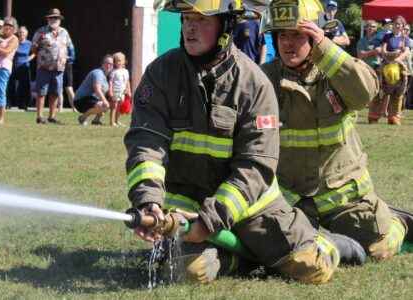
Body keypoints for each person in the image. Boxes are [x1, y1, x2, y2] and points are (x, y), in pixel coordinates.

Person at [125, 0, 363, 285]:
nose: (190, 27)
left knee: (311, 268)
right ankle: (239, 257)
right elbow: (146, 142)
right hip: (189, 201)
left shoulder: (253, 83)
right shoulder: (161, 74)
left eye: (202, 20)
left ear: (226, 26)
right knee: (189, 272)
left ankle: (327, 242)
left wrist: (211, 220)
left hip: (250, 204)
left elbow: (256, 166)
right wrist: (147, 200)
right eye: (187, 18)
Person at [261, 0, 409, 262]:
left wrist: (326, 50)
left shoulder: (334, 70)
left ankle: (398, 223)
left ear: (315, 37)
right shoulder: (264, 79)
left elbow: (365, 94)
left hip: (344, 198)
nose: (287, 43)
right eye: (282, 35)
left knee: (377, 250)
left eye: (297, 34)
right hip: (293, 199)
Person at [31, 8, 73, 124]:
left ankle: (52, 116)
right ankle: (39, 117)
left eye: (56, 18)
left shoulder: (64, 32)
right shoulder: (41, 31)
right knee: (41, 92)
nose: (53, 20)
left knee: (55, 92)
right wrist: (36, 45)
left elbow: (70, 46)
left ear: (59, 20)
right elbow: (33, 48)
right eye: (51, 18)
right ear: (48, 19)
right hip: (44, 67)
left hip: (59, 67)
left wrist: (70, 57)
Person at [370, 15, 411, 125]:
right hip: (386, 65)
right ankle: (374, 116)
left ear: (403, 26)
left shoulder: (405, 39)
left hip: (400, 66)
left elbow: (406, 52)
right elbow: (383, 50)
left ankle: (394, 117)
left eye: (400, 24)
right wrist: (392, 55)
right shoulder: (387, 36)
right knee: (380, 92)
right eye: (396, 23)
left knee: (398, 94)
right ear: (393, 25)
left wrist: (397, 59)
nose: (397, 26)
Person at [74, 55, 112, 126]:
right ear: (102, 64)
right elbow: (97, 89)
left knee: (107, 104)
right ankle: (82, 118)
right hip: (80, 100)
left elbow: (103, 93)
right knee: (104, 105)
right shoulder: (98, 73)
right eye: (106, 63)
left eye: (111, 64)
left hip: (91, 99)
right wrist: (105, 101)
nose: (108, 65)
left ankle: (96, 121)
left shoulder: (105, 77)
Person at [8, 26, 34, 110]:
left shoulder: (29, 43)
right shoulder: (15, 42)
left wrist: (29, 59)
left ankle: (23, 104)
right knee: (11, 85)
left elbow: (34, 52)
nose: (21, 34)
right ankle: (9, 103)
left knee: (24, 86)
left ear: (26, 34)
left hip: (24, 67)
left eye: (23, 32)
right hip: (14, 65)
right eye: (20, 32)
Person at [108, 52, 131, 127]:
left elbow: (127, 81)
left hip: (122, 92)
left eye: (120, 60)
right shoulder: (114, 72)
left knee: (119, 107)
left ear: (124, 61)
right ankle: (112, 122)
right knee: (114, 106)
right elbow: (110, 82)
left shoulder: (126, 71)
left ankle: (117, 121)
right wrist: (110, 91)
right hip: (115, 91)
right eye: (116, 61)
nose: (118, 62)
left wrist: (129, 90)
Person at [62, 42, 77, 112]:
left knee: (69, 88)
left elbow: (73, 57)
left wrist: (65, 57)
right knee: (58, 89)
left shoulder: (69, 45)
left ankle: (75, 108)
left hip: (67, 66)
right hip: (58, 66)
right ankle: (60, 108)